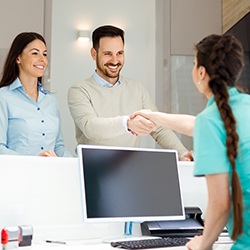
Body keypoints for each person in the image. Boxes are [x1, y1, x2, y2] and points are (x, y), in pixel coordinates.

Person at [132, 33, 250, 249]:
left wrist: (203, 242)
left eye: (194, 64)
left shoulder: (211, 120)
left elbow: (220, 204)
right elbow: (196, 124)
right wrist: (155, 117)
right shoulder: (243, 106)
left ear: (201, 73)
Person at [67, 25, 193, 160]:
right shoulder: (80, 90)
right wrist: (127, 123)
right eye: (108, 54)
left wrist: (182, 153)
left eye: (119, 53)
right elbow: (90, 127)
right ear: (94, 54)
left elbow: (159, 128)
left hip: (129, 167)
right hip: (92, 168)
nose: (115, 61)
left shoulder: (137, 88)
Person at [0, 32, 71, 157]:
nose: (42, 59)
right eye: (34, 53)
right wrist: (34, 162)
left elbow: (58, 145)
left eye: (44, 54)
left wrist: (73, 163)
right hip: (16, 174)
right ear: (18, 58)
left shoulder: (51, 100)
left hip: (49, 174)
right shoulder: (3, 97)